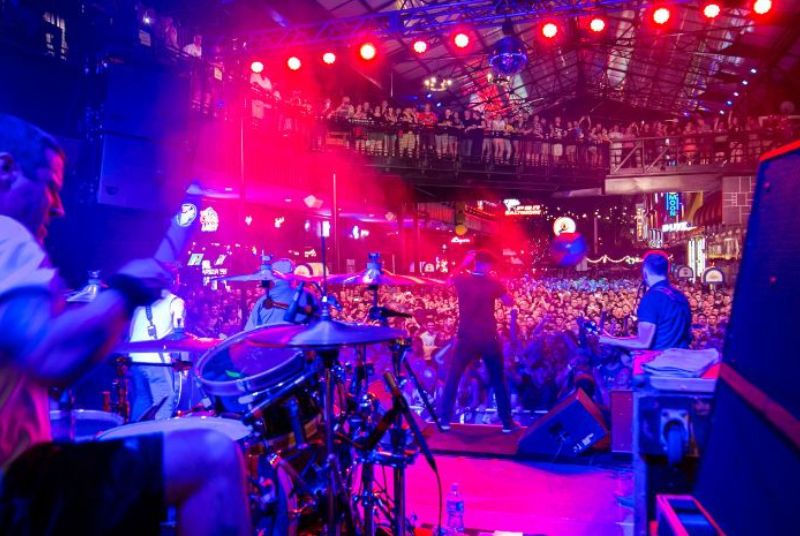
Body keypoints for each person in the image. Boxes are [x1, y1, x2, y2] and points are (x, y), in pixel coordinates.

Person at [0, 114, 251, 535]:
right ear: (5, 169)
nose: (59, 208)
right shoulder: (6, 232)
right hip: (15, 494)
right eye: (50, 187)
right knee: (212, 457)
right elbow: (50, 356)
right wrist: (126, 290)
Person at [439, 250, 517, 433]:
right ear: (488, 265)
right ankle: (507, 423)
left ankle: (444, 420)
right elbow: (509, 302)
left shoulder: (462, 280)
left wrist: (464, 262)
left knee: (453, 378)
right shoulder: (493, 282)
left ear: (475, 262)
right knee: (498, 379)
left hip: (466, 336)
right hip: (487, 337)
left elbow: (446, 281)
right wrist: (502, 286)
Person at [599, 251, 692, 350]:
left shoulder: (651, 298)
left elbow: (643, 343)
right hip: (683, 359)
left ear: (645, 272)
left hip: (660, 361)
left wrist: (608, 340)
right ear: (667, 271)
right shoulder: (680, 296)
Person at [128, 277, 187, 420]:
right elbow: (179, 334)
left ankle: (134, 435)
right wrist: (183, 362)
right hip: (155, 360)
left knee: (143, 400)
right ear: (175, 283)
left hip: (134, 359)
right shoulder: (176, 302)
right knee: (166, 399)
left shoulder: (142, 303)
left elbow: (131, 332)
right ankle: (160, 435)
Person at [245, 258, 316, 329]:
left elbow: (249, 331)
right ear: (294, 275)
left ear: (273, 277)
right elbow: (321, 324)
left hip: (270, 339)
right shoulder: (308, 295)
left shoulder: (262, 301)